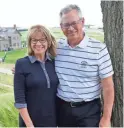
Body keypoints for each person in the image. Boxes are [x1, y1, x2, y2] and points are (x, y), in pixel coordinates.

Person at [55, 4, 114, 127]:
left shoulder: (99, 49)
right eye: (66, 24)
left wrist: (106, 118)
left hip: (89, 111)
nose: (70, 28)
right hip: (62, 109)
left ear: (82, 22)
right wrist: (22, 67)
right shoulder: (56, 47)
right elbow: (38, 56)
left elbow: (108, 87)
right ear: (61, 27)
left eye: (74, 23)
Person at [14, 25, 59, 127]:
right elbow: (20, 100)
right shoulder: (21, 64)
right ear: (30, 42)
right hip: (30, 123)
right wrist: (30, 125)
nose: (38, 44)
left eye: (42, 40)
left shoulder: (54, 63)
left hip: (52, 122)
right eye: (34, 40)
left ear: (48, 41)